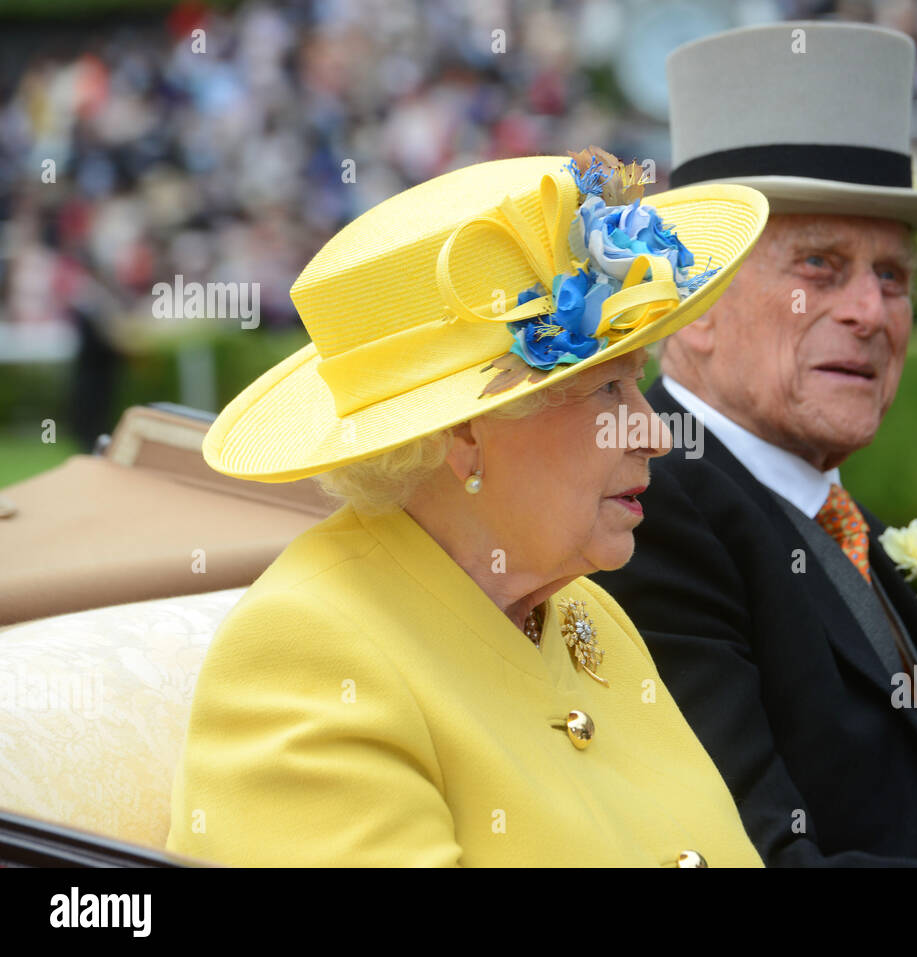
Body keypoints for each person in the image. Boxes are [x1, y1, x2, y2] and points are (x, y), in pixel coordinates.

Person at [166, 151, 770, 867]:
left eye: (634, 382)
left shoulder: (586, 611)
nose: (656, 433)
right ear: (462, 434)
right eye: (606, 391)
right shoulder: (308, 654)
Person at [595, 23, 917, 866]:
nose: (870, 311)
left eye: (893, 276)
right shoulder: (647, 504)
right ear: (692, 306)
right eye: (820, 265)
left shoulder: (838, 517)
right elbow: (763, 853)